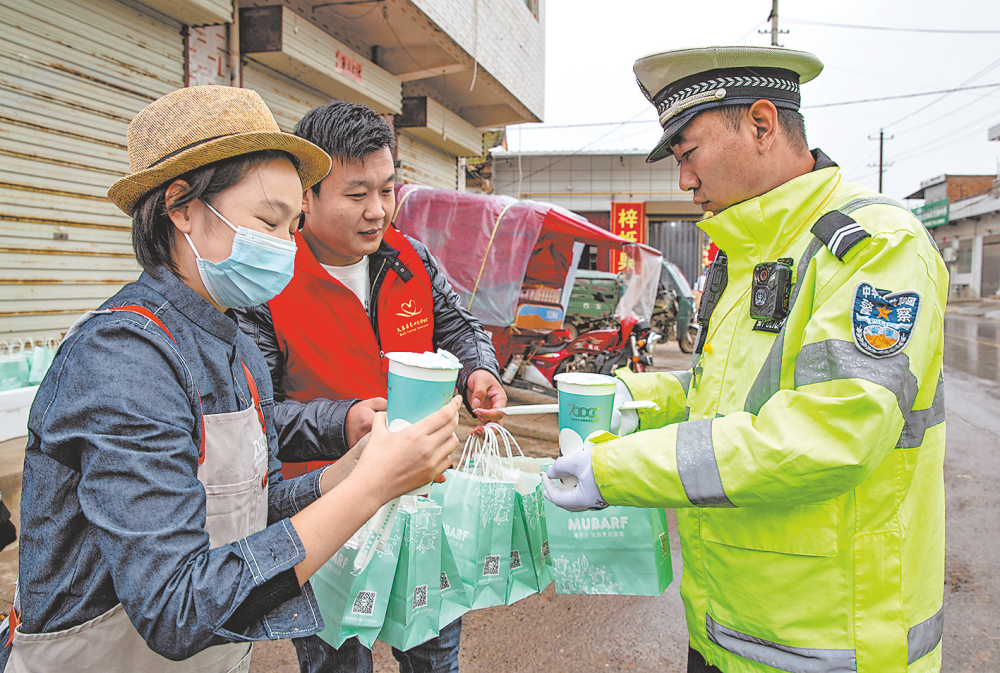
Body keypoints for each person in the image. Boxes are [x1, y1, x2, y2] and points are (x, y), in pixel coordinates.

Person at [1, 86, 461, 672]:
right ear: (183, 207)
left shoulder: (230, 338)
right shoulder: (125, 357)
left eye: (293, 225)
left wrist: (346, 471)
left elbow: (244, 507)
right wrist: (365, 490)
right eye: (268, 222)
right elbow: (176, 607)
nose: (286, 248)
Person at [543, 46, 947, 673]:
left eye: (688, 153)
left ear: (762, 126)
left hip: (829, 647)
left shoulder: (873, 248)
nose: (684, 181)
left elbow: (829, 434)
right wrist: (635, 399)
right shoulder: (747, 251)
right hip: (724, 630)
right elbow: (724, 399)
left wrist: (616, 470)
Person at [235, 100, 506, 672]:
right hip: (322, 509)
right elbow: (254, 418)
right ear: (305, 196)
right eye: (357, 195)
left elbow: (458, 325)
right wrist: (345, 421)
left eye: (387, 190)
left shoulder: (411, 259)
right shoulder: (266, 282)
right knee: (337, 662)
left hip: (421, 497)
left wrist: (478, 368)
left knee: (433, 654)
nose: (378, 211)